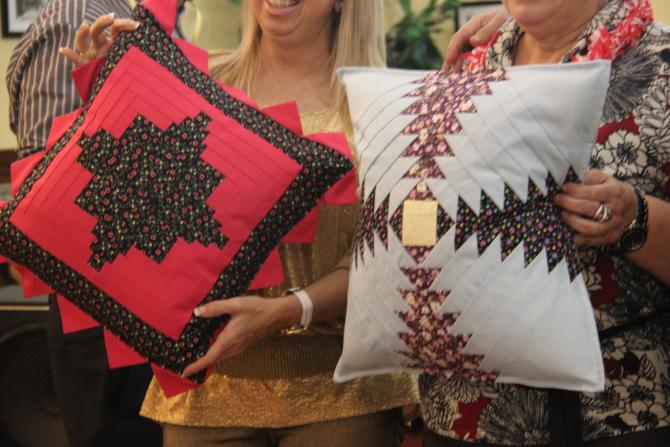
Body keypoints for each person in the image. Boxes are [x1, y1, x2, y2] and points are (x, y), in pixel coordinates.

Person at [66, 1, 419, 446]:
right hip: (204, 394)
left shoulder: (386, 106)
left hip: (345, 396)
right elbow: (130, 201)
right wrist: (113, 91)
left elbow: (395, 254)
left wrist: (289, 310)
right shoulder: (195, 82)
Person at [417, 0, 670, 446]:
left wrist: (634, 218)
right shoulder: (467, 64)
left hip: (616, 411)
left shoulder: (660, 65)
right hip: (464, 410)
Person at [5, 1, 172, 446]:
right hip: (104, 318)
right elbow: (51, 190)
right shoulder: (77, 17)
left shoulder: (126, 14)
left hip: (139, 305)